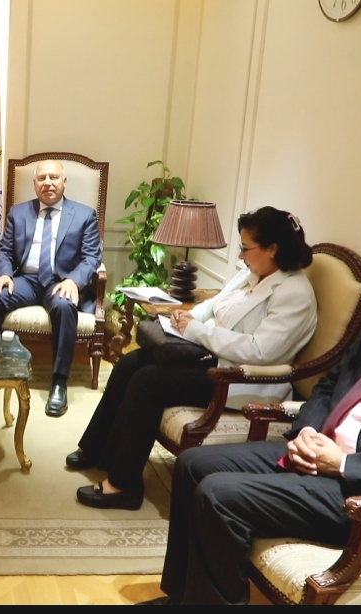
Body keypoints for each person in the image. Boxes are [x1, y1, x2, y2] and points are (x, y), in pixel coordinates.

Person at [146, 230, 361, 604]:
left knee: (218, 495)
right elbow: (329, 385)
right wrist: (308, 429)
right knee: (192, 464)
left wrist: (344, 463)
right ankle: (183, 598)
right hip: (315, 451)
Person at [69, 206, 318, 511]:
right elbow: (213, 305)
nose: (241, 255)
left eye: (246, 248)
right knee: (130, 364)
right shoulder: (252, 272)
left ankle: (124, 486)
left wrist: (197, 331)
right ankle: (97, 449)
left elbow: (260, 351)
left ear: (272, 249)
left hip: (241, 378)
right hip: (210, 355)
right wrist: (185, 318)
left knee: (147, 382)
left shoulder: (294, 293)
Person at [0, 159, 102, 417]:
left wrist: (73, 281)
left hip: (60, 281)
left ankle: (59, 382)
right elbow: (4, 251)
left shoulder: (84, 215)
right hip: (25, 280)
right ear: (34, 184)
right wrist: (4, 274)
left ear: (64, 182)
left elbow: (91, 257)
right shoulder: (19, 212)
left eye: (53, 177)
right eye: (41, 178)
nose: (47, 183)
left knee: (64, 306)